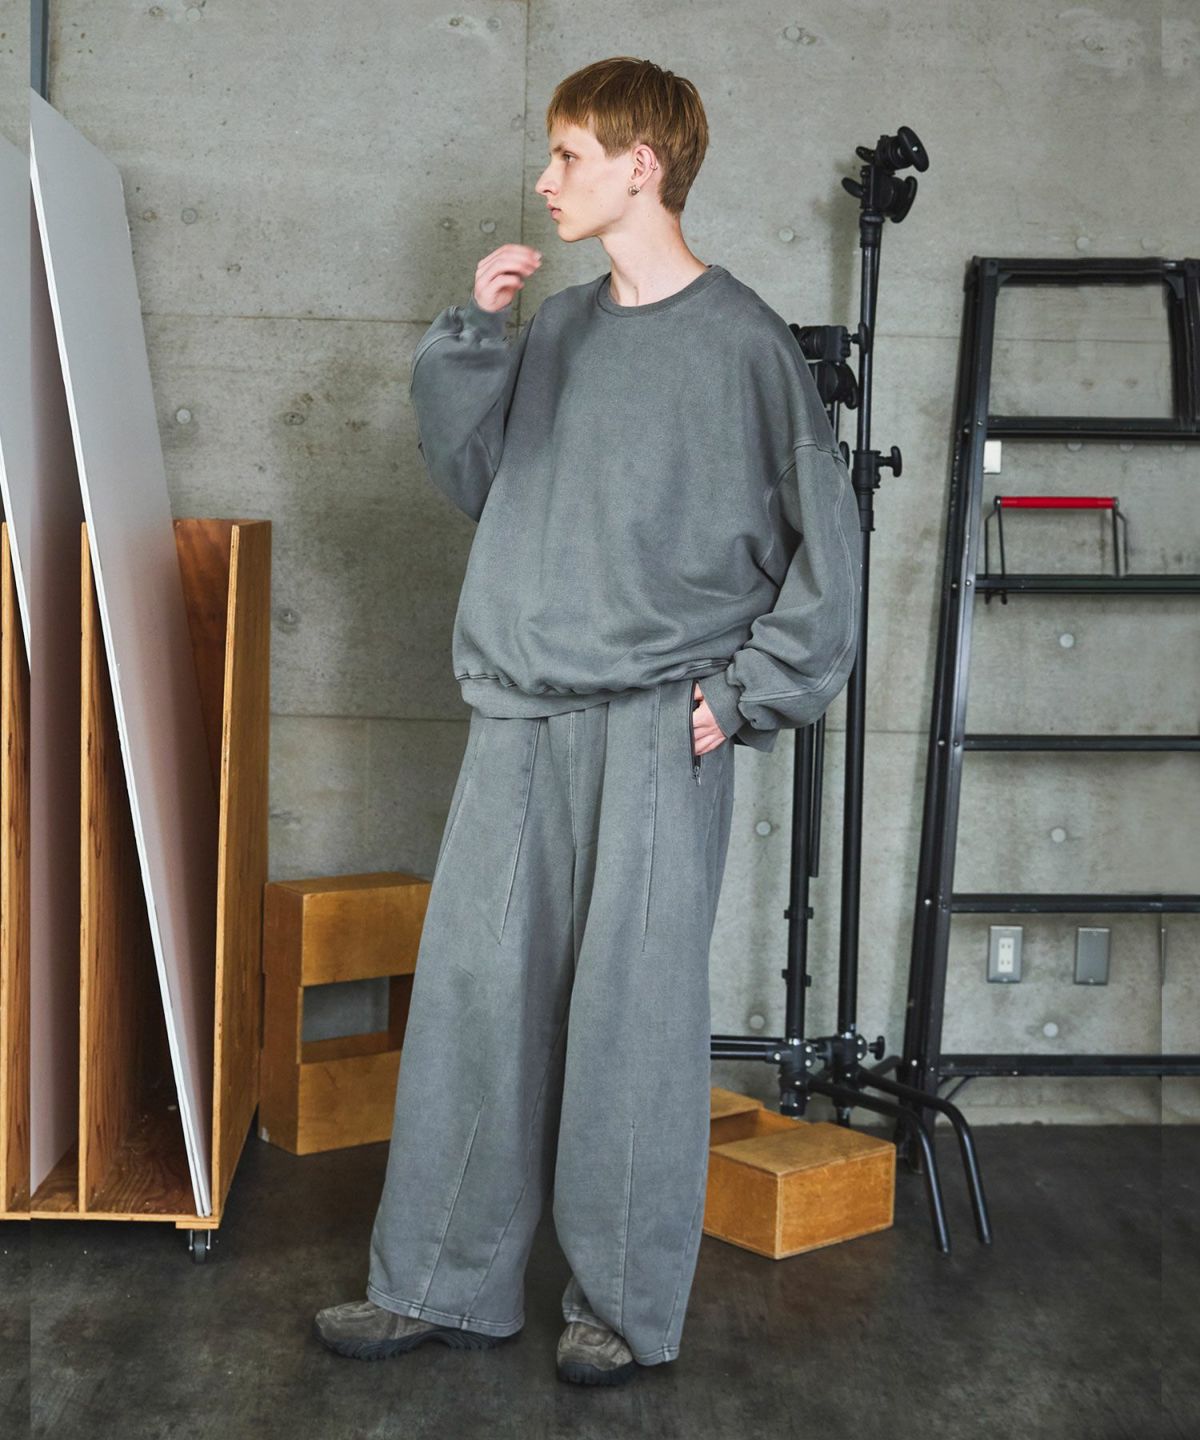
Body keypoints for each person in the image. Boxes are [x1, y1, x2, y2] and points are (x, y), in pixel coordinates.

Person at [314, 55, 861, 1388]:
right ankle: (440, 1283)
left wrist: (740, 699)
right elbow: (486, 484)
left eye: (569, 155)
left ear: (641, 167)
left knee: (632, 1021)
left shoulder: (746, 347)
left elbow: (827, 559)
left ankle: (618, 1307)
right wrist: (475, 340)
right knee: (474, 1001)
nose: (547, 179)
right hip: (520, 715)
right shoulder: (557, 329)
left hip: (660, 727)